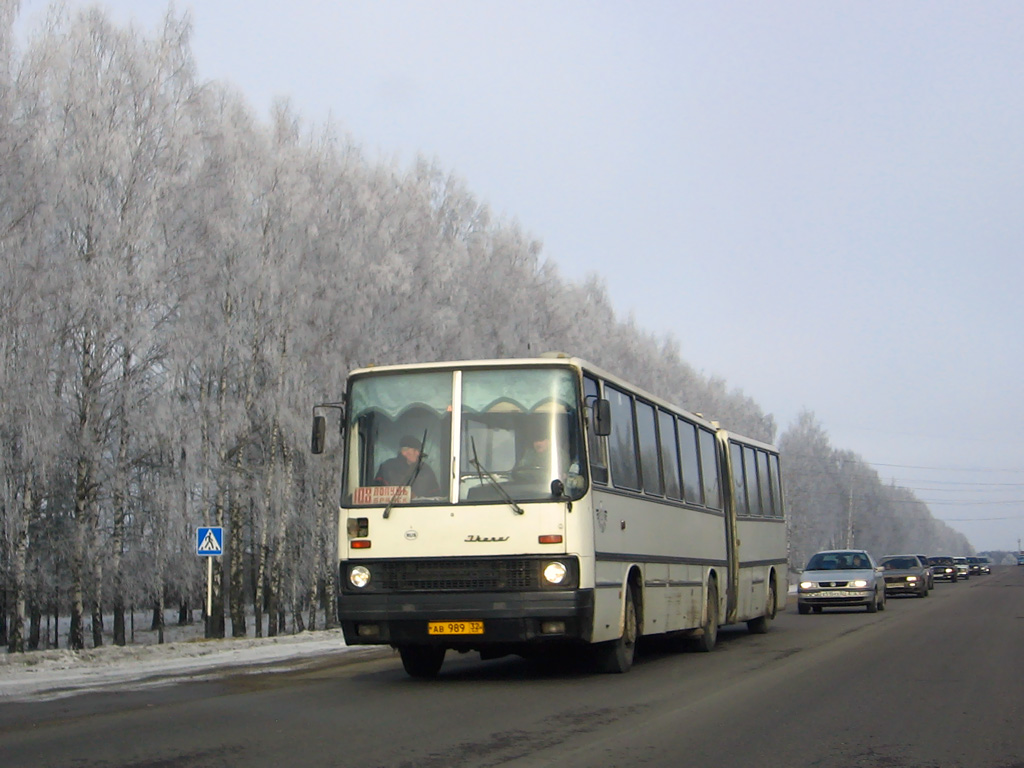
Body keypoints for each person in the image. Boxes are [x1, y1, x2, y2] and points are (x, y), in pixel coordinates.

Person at [375, 435, 441, 498]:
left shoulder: (426, 470)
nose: (418, 453)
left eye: (419, 450)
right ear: (404, 452)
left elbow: (436, 496)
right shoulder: (387, 468)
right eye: (415, 450)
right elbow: (377, 494)